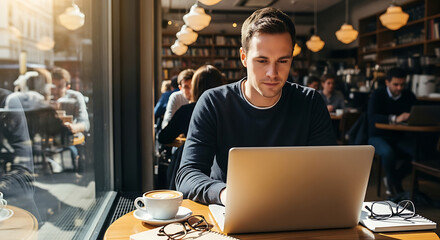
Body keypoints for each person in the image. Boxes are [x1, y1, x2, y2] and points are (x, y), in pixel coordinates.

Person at [176, 7, 336, 205]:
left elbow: (327, 173)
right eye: (262, 60)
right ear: (243, 57)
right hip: (232, 210)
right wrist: (226, 194)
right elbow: (187, 174)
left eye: (283, 61)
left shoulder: (310, 102)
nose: (272, 72)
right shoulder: (214, 103)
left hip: (295, 209)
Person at [158, 65, 224, 189]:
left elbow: (163, 137)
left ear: (195, 87)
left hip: (195, 169)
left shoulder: (187, 111)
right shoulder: (230, 110)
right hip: (224, 173)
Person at [367, 67, 416, 197]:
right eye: (396, 84)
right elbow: (372, 117)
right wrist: (395, 118)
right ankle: (396, 188)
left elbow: (416, 114)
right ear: (387, 83)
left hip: (399, 137)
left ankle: (393, 179)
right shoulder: (378, 94)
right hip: (377, 136)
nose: (399, 88)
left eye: (402, 84)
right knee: (388, 153)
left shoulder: (409, 96)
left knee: (418, 153)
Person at [51, 67, 90, 171]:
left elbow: (85, 124)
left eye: (59, 87)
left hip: (71, 138)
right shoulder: (46, 97)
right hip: (50, 139)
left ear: (67, 87)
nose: (55, 90)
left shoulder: (75, 97)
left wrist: (73, 127)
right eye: (53, 86)